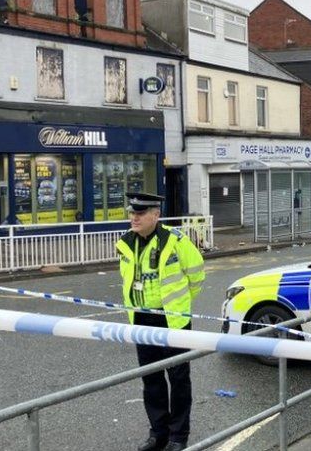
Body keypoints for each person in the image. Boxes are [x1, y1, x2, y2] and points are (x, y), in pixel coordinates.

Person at [116, 192, 205, 451]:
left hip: (173, 319)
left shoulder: (176, 241)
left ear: (156, 215)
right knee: (151, 379)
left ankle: (178, 436)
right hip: (142, 318)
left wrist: (181, 305)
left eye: (141, 213)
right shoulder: (125, 242)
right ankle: (158, 434)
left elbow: (197, 274)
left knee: (178, 379)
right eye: (132, 213)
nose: (134, 218)